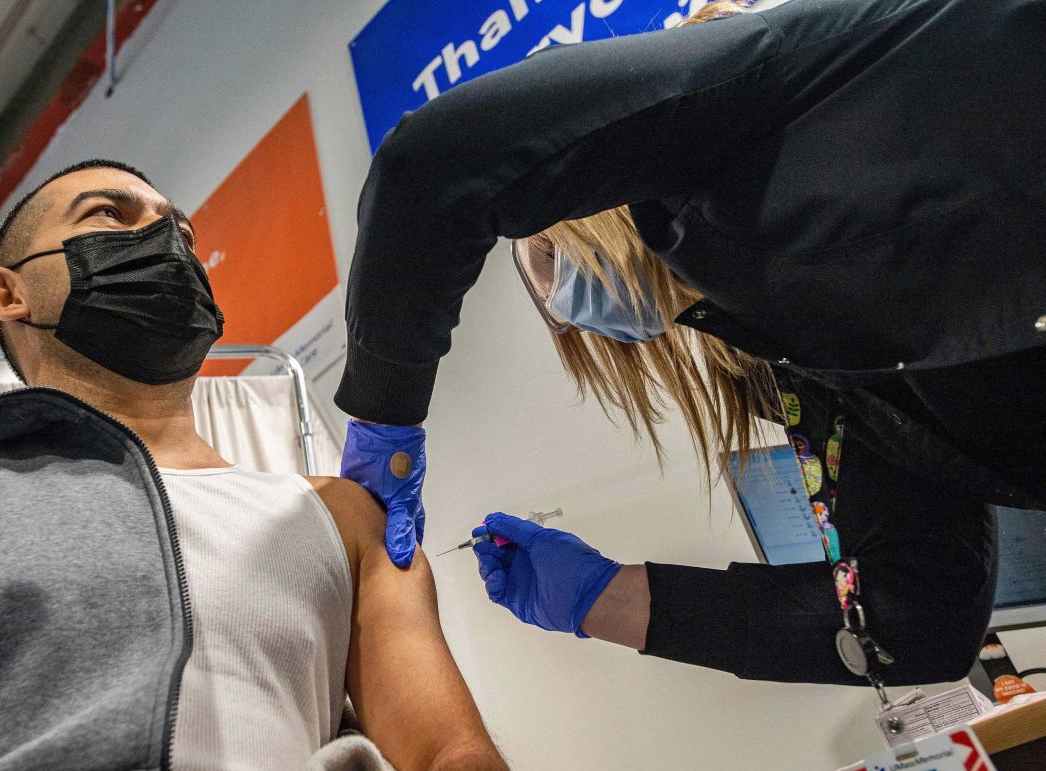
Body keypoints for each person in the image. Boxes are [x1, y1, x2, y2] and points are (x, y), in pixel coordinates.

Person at [0, 161, 523, 771]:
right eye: (109, 215)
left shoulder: (339, 517)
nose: (165, 238)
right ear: (8, 291)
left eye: (181, 232)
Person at [335, 0, 1046, 685]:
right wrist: (604, 599)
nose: (568, 310)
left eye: (549, 259)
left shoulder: (762, 94)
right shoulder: (806, 361)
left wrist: (383, 422)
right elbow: (916, 620)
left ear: (592, 195)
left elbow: (433, 163)